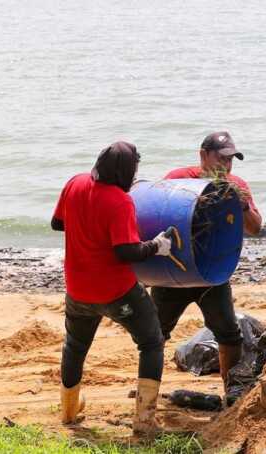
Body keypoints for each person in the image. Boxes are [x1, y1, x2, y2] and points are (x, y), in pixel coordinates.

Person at [51, 142, 172, 436]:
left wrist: (88, 229)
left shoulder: (75, 183)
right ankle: (144, 422)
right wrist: (157, 246)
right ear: (126, 172)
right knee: (151, 343)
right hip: (116, 292)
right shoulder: (119, 201)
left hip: (77, 288)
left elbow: (57, 223)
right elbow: (126, 252)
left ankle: (69, 412)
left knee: (75, 346)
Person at [150, 132, 262, 396]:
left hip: (213, 273)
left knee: (229, 334)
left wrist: (242, 204)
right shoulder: (178, 179)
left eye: (231, 159)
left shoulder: (236, 185)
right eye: (221, 158)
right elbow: (155, 217)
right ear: (203, 155)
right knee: (154, 337)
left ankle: (231, 394)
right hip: (175, 272)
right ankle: (149, 394)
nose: (227, 165)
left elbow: (255, 228)